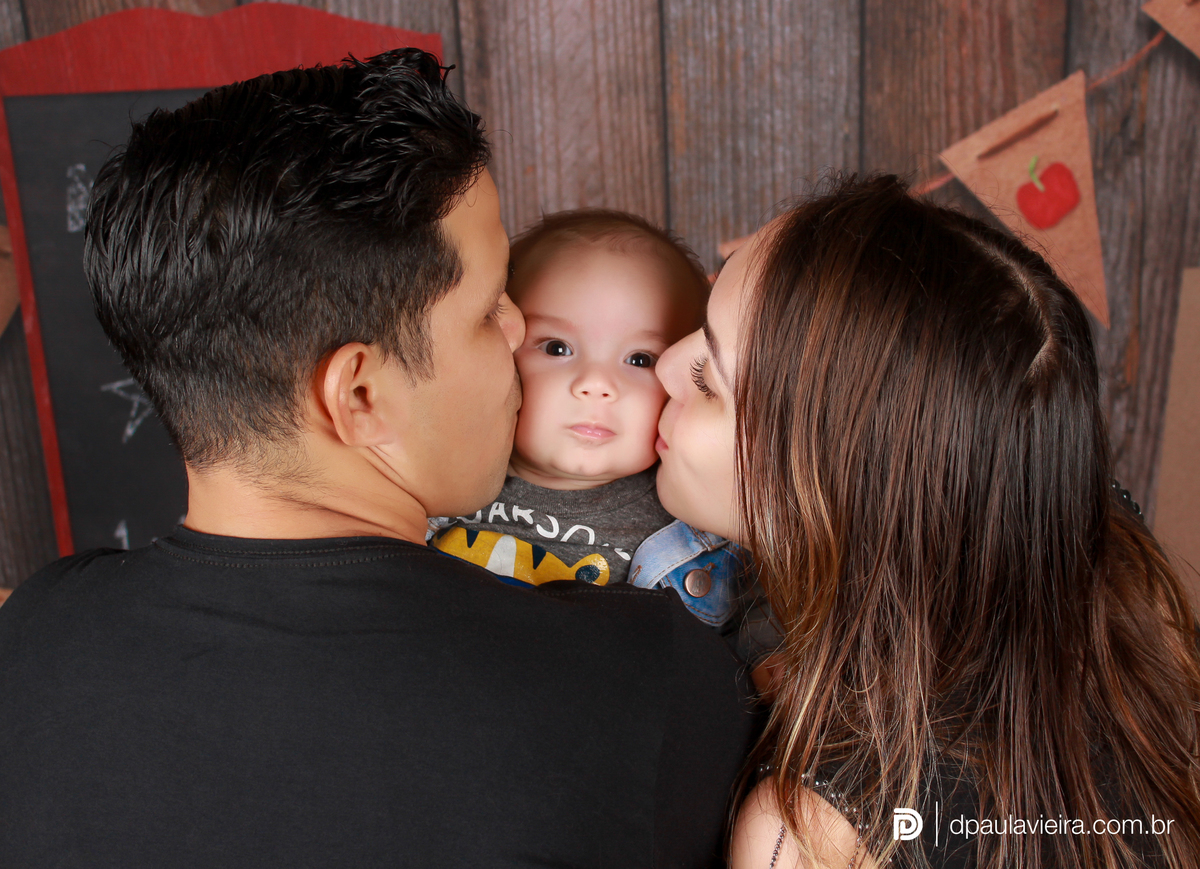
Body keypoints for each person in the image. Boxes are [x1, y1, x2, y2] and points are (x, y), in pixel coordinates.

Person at [0, 49, 758, 867]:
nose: (516, 330)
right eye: (488, 308)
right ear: (359, 396)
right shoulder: (645, 683)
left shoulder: (33, 640)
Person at [652, 174, 1200, 869]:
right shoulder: (1114, 564)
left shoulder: (816, 837)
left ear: (832, 490)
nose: (667, 365)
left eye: (709, 381)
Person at [430, 209, 763, 642]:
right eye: (557, 347)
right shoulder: (433, 489)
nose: (597, 385)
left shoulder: (706, 532)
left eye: (641, 359)